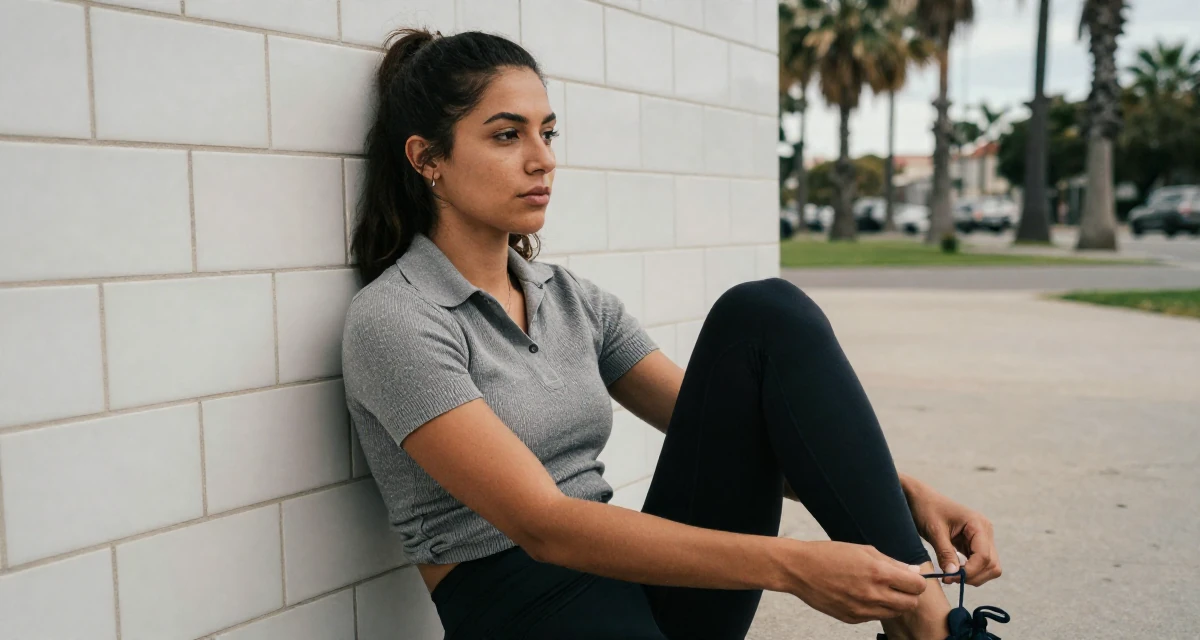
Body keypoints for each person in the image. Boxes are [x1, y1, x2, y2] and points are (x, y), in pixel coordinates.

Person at [340, 28, 1006, 640]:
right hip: (525, 608)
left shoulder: (569, 299)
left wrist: (904, 492)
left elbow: (745, 424)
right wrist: (795, 566)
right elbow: (542, 526)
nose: (542, 160)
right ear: (428, 159)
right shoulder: (397, 320)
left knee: (764, 316)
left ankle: (927, 623)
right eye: (507, 136)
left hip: (633, 581)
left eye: (548, 132)